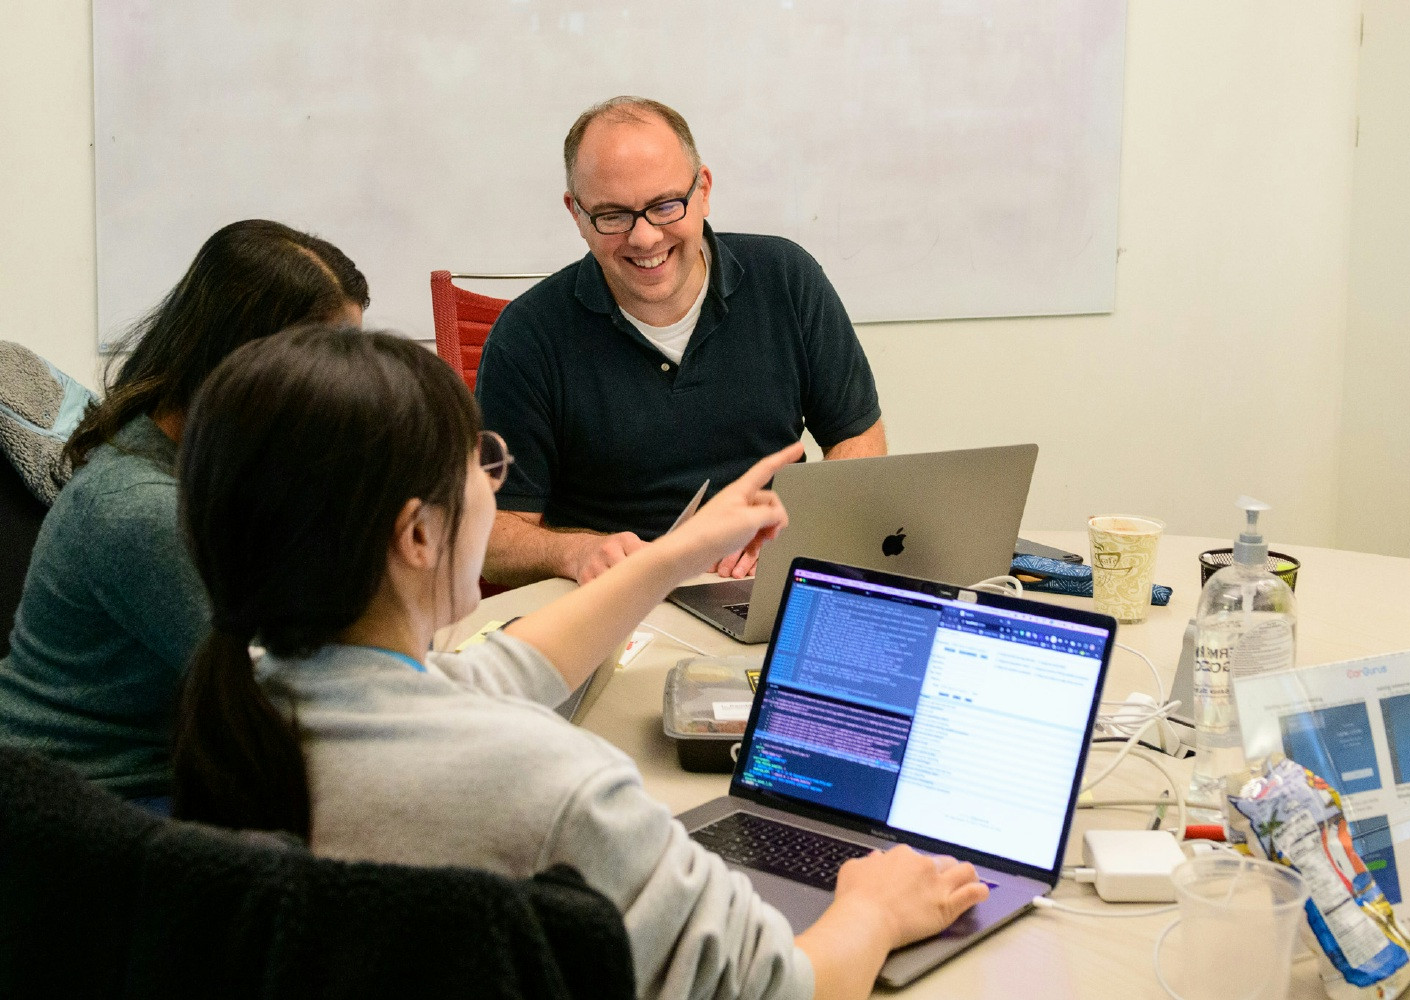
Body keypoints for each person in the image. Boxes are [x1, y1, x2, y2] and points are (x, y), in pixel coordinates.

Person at [171, 326, 985, 1000]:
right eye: (484, 465)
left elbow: (506, 670)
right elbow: (785, 987)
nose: (495, 485)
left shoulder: (257, 694)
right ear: (418, 535)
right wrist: (874, 908)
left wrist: (675, 554)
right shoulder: (554, 786)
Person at [0, 220, 367, 807]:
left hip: (157, 779)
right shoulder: (140, 508)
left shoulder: (208, 461)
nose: (343, 384)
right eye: (327, 360)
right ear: (243, 358)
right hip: (85, 809)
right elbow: (286, 703)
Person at [476, 96, 887, 588]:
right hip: (618, 603)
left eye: (666, 206)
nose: (645, 238)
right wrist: (577, 551)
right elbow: (490, 537)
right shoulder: (527, 336)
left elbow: (860, 439)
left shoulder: (786, 279)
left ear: (704, 190)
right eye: (612, 216)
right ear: (577, 214)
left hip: (765, 580)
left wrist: (792, 530)